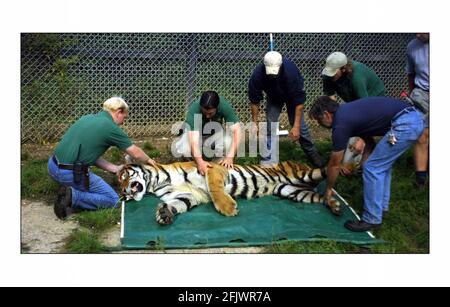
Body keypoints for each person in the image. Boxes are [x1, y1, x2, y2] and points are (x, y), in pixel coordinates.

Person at [309, 96, 424, 232]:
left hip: (405, 124)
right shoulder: (348, 112)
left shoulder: (340, 124)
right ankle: (381, 208)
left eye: (318, 120)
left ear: (327, 114)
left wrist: (328, 190)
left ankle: (372, 219)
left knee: (373, 168)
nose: (319, 124)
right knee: (379, 167)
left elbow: (334, 164)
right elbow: (369, 141)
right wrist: (364, 162)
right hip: (411, 118)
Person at [48, 97, 156, 219]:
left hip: (52, 167)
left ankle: (70, 190)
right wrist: (149, 160)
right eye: (124, 117)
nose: (122, 122)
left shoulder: (87, 118)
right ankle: (73, 196)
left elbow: (90, 156)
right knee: (113, 200)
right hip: (69, 174)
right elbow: (135, 153)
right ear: (119, 111)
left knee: (85, 177)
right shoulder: (110, 127)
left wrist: (115, 169)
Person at [248, 51, 324, 167]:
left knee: (301, 129)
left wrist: (296, 126)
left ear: (280, 65)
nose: (272, 75)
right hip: (273, 97)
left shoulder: (291, 72)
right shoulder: (257, 75)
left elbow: (299, 102)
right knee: (270, 126)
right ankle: (269, 162)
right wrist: (254, 122)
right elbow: (254, 101)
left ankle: (315, 159)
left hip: (292, 98)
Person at [322, 51, 387, 166]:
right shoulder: (328, 76)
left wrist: (361, 139)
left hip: (374, 100)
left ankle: (363, 163)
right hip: (354, 101)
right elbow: (331, 103)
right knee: (347, 127)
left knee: (360, 138)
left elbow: (365, 107)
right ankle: (352, 165)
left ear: (343, 69)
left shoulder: (357, 77)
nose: (330, 75)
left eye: (333, 73)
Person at [174, 90, 241, 175]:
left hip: (214, 133)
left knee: (227, 142)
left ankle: (217, 168)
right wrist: (200, 162)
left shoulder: (224, 106)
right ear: (201, 106)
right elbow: (193, 141)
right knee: (184, 147)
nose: (207, 116)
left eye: (210, 113)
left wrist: (230, 157)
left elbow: (237, 130)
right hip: (196, 135)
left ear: (217, 108)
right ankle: (193, 170)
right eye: (204, 112)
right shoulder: (194, 109)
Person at [406, 33, 429, 188]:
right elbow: (411, 73)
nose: (417, 33)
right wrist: (412, 94)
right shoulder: (412, 46)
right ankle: (421, 179)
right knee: (421, 135)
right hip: (422, 92)